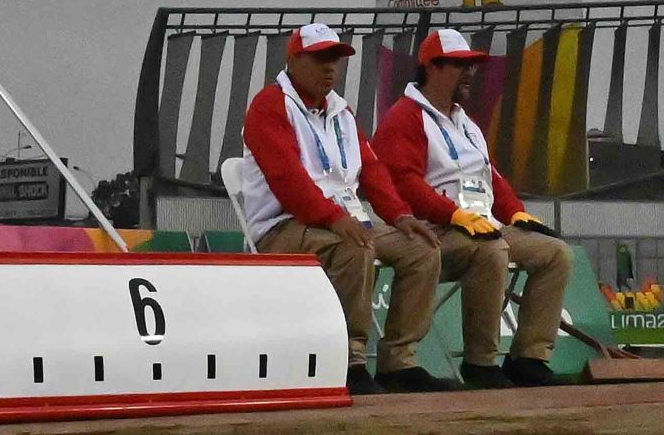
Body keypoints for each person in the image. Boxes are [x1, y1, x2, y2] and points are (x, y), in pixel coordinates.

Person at [239, 23, 446, 395]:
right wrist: (334, 218)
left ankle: (399, 360)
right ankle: (349, 360)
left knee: (422, 248)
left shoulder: (341, 111)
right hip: (283, 227)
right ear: (293, 60)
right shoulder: (269, 106)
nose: (330, 68)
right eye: (320, 59)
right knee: (355, 246)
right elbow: (289, 181)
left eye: (335, 59)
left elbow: (373, 171)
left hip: (341, 222)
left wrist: (401, 216)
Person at [372, 27, 573, 388]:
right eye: (459, 66)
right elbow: (403, 182)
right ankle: (481, 363)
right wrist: (451, 214)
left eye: (472, 67)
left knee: (555, 253)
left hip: (480, 225)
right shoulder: (405, 117)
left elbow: (491, 176)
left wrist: (515, 211)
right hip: (430, 229)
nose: (469, 74)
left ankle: (528, 358)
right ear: (431, 67)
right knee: (492, 250)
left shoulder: (466, 123)